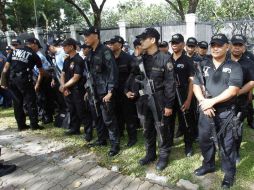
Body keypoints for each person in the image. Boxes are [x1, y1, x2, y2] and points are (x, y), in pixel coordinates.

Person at [193, 34, 243, 189]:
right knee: (204, 140)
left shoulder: (234, 66)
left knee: (227, 145)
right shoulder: (203, 64)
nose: (215, 48)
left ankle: (229, 174)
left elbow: (233, 90)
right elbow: (196, 85)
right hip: (205, 111)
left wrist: (211, 102)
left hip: (225, 113)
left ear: (226, 46)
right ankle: (208, 165)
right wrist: (203, 103)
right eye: (213, 45)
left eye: (219, 45)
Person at [128, 28, 175, 170]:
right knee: (147, 127)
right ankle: (150, 154)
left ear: (153, 40)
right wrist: (137, 57)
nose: (141, 41)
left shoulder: (165, 58)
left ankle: (163, 155)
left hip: (160, 98)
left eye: (144, 38)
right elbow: (134, 75)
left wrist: (169, 105)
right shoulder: (141, 58)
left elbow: (170, 83)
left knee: (161, 128)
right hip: (144, 98)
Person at [82, 26, 120, 157]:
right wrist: (88, 89)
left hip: (104, 91)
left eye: (87, 35)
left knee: (108, 118)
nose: (85, 38)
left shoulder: (105, 51)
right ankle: (101, 139)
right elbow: (90, 74)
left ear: (96, 35)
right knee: (97, 117)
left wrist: (110, 91)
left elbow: (112, 72)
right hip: (94, 91)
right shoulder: (91, 53)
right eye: (84, 36)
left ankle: (115, 144)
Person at [0, 38, 45, 131]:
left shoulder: (14, 52)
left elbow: (6, 67)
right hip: (25, 80)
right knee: (31, 101)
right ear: (33, 44)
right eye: (37, 47)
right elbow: (41, 72)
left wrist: (3, 81)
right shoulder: (34, 55)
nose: (38, 49)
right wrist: (37, 84)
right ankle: (34, 124)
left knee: (17, 103)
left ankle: (21, 125)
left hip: (12, 80)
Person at [108, 35, 139, 147]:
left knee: (128, 116)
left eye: (113, 43)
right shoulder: (109, 58)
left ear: (120, 45)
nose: (111, 45)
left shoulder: (128, 58)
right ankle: (119, 133)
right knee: (116, 115)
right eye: (110, 43)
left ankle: (132, 137)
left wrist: (131, 91)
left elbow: (135, 75)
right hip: (113, 92)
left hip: (126, 92)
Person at [169, 34, 195, 156]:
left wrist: (189, 100)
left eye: (177, 42)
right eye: (172, 42)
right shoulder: (167, 59)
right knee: (169, 122)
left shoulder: (188, 61)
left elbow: (192, 81)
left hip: (184, 96)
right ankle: (168, 143)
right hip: (170, 97)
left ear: (183, 44)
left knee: (186, 122)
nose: (174, 44)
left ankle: (188, 145)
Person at [59, 38, 92, 136]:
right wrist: (63, 86)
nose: (63, 48)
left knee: (82, 111)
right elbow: (63, 74)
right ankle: (74, 128)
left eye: (65, 46)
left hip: (77, 90)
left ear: (71, 47)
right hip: (68, 89)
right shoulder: (67, 59)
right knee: (72, 110)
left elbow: (76, 77)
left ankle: (88, 132)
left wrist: (64, 86)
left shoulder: (78, 60)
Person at [229, 34, 254, 163]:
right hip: (223, 101)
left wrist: (237, 93)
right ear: (230, 46)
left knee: (237, 126)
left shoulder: (249, 63)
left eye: (240, 45)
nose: (237, 48)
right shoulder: (223, 59)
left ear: (244, 47)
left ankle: (236, 152)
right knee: (224, 126)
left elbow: (252, 82)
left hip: (241, 101)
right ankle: (225, 149)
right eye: (235, 45)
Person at [26, 38, 54, 124]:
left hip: (43, 79)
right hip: (39, 78)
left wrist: (37, 84)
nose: (28, 47)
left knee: (43, 99)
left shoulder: (39, 56)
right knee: (40, 99)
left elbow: (41, 73)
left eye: (29, 44)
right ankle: (43, 116)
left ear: (34, 45)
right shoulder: (33, 55)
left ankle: (47, 117)